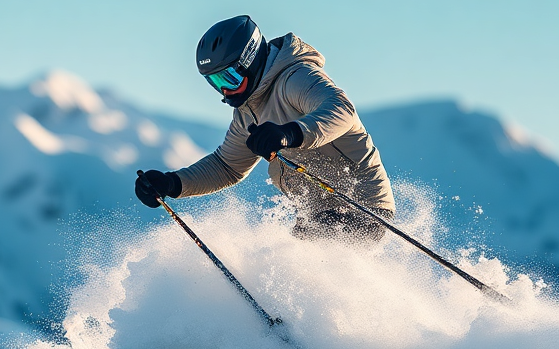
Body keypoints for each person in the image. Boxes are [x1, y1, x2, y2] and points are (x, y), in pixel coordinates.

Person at [135, 15, 395, 242]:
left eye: (229, 77)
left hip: (360, 204)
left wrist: (289, 134)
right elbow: (227, 167)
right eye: (214, 82)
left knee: (297, 272)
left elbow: (342, 111)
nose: (225, 90)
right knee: (284, 268)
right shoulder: (248, 112)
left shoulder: (295, 77)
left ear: (248, 60)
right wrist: (172, 183)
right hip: (318, 212)